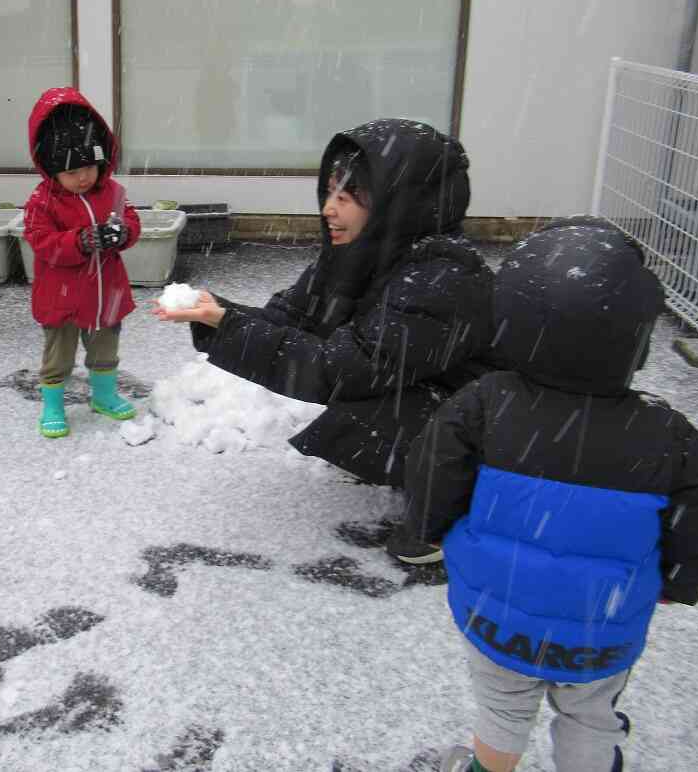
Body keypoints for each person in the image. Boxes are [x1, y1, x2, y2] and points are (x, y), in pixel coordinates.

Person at [398, 217, 698, 772]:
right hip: (601, 627)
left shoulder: (485, 403)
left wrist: (432, 529)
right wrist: (679, 583)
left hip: (497, 611)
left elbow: (432, 473)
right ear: (636, 336)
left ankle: (487, 766)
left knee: (503, 710)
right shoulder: (668, 433)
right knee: (591, 713)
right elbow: (695, 519)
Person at [153, 119, 494, 505]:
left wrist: (227, 325)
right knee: (362, 398)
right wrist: (219, 314)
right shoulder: (362, 252)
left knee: (367, 405)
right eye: (329, 193)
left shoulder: (441, 277)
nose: (328, 209)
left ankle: (454, 504)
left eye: (346, 198)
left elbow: (341, 370)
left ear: (395, 204)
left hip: (487, 428)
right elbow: (292, 318)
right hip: (435, 394)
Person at [24, 87, 142, 438]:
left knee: (106, 350)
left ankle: (104, 395)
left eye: (89, 166)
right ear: (51, 168)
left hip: (106, 293)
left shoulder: (112, 192)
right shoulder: (41, 202)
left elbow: (131, 220)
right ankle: (53, 404)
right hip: (61, 298)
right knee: (58, 356)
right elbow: (41, 240)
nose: (83, 177)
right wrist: (78, 241)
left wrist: (123, 232)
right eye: (72, 171)